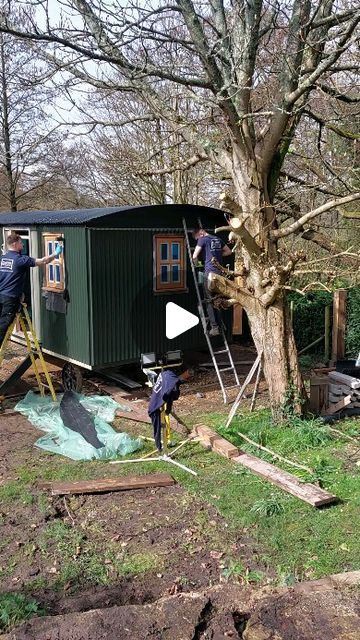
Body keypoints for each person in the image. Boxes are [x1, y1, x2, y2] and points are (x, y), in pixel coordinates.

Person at [0, 232, 63, 347]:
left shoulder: (2, 259)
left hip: (1, 296)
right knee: (3, 327)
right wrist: (55, 253)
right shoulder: (20, 260)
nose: (22, 245)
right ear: (14, 244)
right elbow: (43, 261)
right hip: (10, 299)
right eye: (20, 243)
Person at [192, 227, 232, 335]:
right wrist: (217, 257)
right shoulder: (217, 239)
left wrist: (197, 264)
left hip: (209, 273)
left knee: (209, 300)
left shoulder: (202, 239)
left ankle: (215, 328)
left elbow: (194, 256)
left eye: (196, 238)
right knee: (217, 299)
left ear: (200, 233)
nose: (197, 240)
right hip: (219, 273)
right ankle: (221, 324)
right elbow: (229, 251)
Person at [148, 366, 192, 451]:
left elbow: (170, 394)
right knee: (160, 425)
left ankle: (164, 442)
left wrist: (168, 408)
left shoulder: (165, 375)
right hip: (156, 407)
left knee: (164, 422)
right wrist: (167, 407)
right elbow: (169, 395)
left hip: (157, 404)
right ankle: (161, 446)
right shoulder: (168, 379)